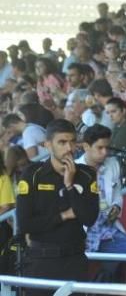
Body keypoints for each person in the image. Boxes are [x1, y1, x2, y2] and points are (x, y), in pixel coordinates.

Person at [16, 119, 99, 294]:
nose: (69, 148)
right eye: (62, 142)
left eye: (72, 142)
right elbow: (24, 224)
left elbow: (89, 218)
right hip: (41, 262)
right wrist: (63, 216)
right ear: (48, 145)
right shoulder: (32, 175)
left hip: (74, 260)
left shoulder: (86, 174)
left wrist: (69, 185)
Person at [78, 124, 126, 284]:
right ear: (86, 146)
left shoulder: (113, 164)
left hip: (108, 234)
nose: (105, 152)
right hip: (81, 237)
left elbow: (117, 194)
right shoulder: (73, 169)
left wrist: (117, 207)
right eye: (100, 148)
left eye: (107, 147)